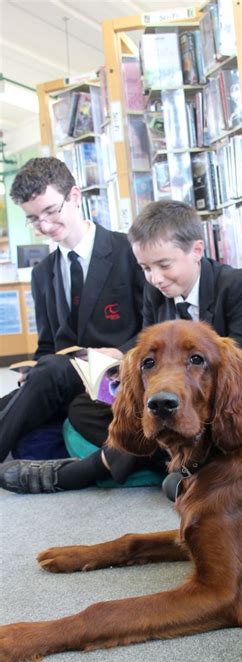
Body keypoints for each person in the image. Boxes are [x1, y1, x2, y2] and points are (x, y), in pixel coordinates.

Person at [1, 199, 242, 493]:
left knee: (164, 411)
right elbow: (149, 346)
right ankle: (176, 465)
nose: (155, 278)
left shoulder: (237, 285)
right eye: (145, 268)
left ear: (196, 250)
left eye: (164, 265)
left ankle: (78, 473)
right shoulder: (155, 291)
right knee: (83, 408)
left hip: (228, 398)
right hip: (172, 396)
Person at [0, 157, 144, 464]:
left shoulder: (128, 251)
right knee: (16, 396)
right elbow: (48, 346)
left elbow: (156, 326)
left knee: (46, 376)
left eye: (51, 212)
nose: (45, 226)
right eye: (34, 219)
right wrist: (32, 370)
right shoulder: (42, 274)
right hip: (64, 377)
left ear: (75, 196)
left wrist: (119, 353)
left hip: (118, 372)